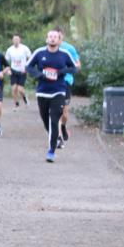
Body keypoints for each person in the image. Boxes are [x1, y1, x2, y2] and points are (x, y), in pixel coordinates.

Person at [26, 29, 77, 162]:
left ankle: (51, 151)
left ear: (59, 39)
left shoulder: (64, 54)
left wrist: (61, 72)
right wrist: (39, 75)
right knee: (45, 120)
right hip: (42, 92)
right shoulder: (39, 52)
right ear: (47, 39)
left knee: (54, 120)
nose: (53, 39)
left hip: (59, 91)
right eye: (50, 37)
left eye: (55, 37)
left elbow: (74, 68)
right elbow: (28, 66)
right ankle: (56, 137)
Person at [56, 28, 81, 148]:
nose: (57, 39)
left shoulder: (69, 48)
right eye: (55, 36)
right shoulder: (48, 49)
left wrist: (71, 68)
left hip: (66, 82)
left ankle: (63, 126)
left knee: (64, 114)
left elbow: (78, 65)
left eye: (59, 36)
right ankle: (58, 137)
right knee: (56, 111)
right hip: (54, 83)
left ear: (63, 36)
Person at [4, 34, 32, 108]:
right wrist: (8, 70)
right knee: (14, 88)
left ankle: (25, 98)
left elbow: (31, 58)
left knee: (20, 89)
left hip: (22, 71)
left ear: (20, 40)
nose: (16, 41)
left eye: (17, 39)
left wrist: (27, 68)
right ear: (12, 40)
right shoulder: (10, 50)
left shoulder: (25, 48)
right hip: (13, 70)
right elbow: (5, 61)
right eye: (14, 39)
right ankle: (16, 104)